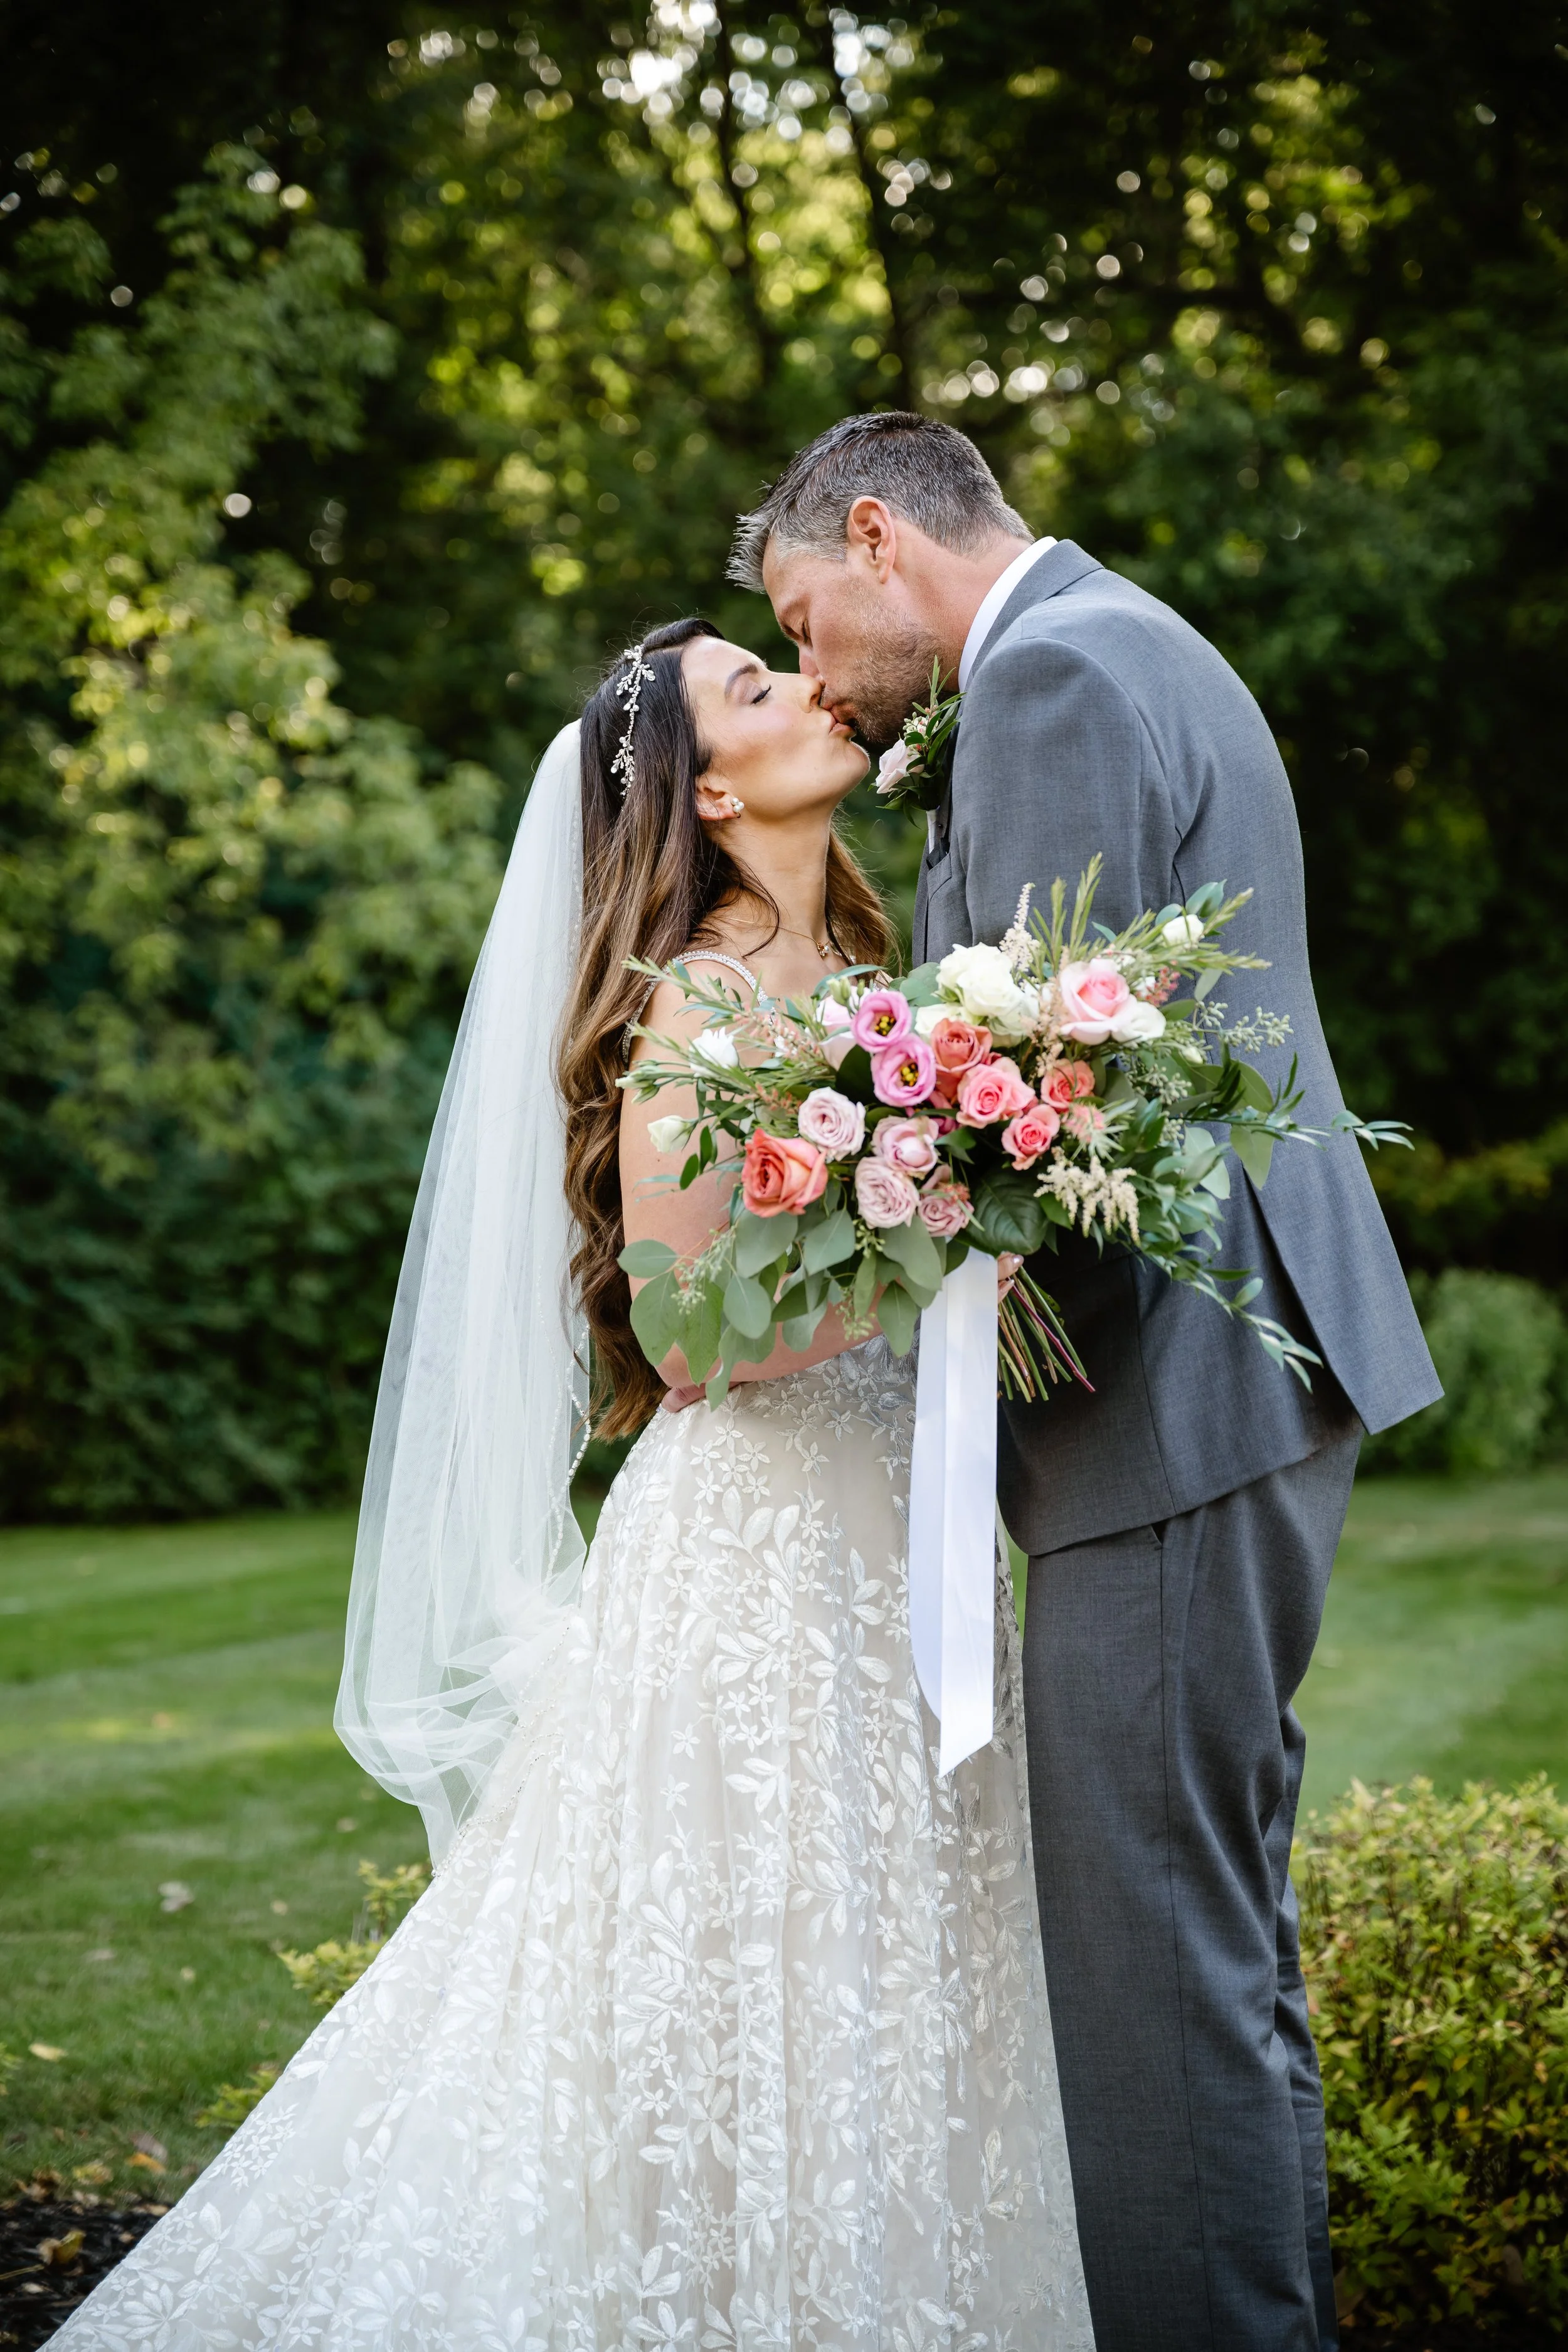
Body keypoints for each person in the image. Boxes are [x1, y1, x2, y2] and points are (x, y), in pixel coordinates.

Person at [51, 619, 1093, 2349]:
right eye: (752, 690)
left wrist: (952, 1193)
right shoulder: (696, 997)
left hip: (883, 1519)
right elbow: (685, 1331)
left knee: (893, 1961)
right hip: (756, 1549)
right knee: (728, 1969)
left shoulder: (861, 961)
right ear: (704, 784)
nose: (802, 691)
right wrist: (941, 1228)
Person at [731, 412, 1441, 2352]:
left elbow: (1030, 1098)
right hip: (1226, 1371)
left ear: (876, 535)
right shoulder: (1113, 636)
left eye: (805, 618)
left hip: (1169, 1396)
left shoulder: (1046, 673)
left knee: (1145, 1950)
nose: (812, 673)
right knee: (1205, 1922)